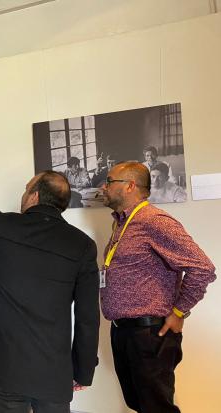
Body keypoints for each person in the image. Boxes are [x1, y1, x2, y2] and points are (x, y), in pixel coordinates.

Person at [0, 159, 100, 413]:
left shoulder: (1, 226)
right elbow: (87, 318)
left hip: (7, 368)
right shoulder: (82, 246)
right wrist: (83, 370)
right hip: (54, 371)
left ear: (34, 196)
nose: (23, 194)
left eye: (27, 189)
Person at [99, 161, 216, 413]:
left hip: (149, 334)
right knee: (139, 403)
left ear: (130, 185)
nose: (103, 186)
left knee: (156, 407)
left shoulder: (154, 221)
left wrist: (179, 311)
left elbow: (202, 268)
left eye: (109, 181)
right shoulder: (122, 223)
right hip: (124, 331)